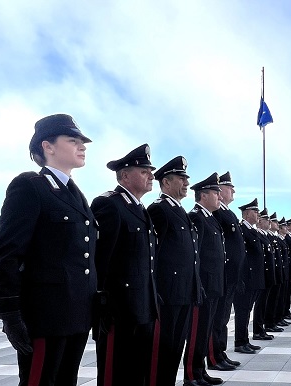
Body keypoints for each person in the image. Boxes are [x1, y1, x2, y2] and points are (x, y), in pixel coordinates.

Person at [0, 114, 97, 386]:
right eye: (73, 140)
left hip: (76, 314)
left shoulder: (74, 193)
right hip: (45, 316)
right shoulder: (30, 186)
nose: (82, 146)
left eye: (82, 142)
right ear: (47, 146)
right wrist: (9, 313)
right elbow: (8, 253)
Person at [92, 144, 160, 386]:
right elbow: (100, 259)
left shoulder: (140, 209)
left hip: (143, 306)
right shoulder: (110, 204)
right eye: (144, 171)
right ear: (124, 176)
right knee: (115, 373)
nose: (151, 176)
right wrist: (102, 304)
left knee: (137, 371)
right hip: (119, 310)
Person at [147, 156, 203, 386]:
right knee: (162, 349)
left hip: (183, 292)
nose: (186, 184)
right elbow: (153, 254)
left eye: (186, 179)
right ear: (166, 183)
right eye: (181, 179)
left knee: (175, 347)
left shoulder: (179, 211)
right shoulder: (158, 210)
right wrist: (156, 289)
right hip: (166, 294)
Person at [183, 172, 226, 386]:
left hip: (214, 284)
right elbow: (195, 255)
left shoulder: (210, 218)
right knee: (197, 331)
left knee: (206, 330)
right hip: (203, 285)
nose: (219, 197)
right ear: (203, 195)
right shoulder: (196, 217)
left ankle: (200, 371)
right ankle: (191, 374)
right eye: (215, 193)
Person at [208, 172, 245, 369]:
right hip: (222, 273)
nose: (233, 192)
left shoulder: (227, 213)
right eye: (230, 188)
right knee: (217, 318)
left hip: (231, 275)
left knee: (222, 318)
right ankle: (214, 356)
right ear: (220, 190)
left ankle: (220, 353)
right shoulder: (217, 213)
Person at [233, 198, 266, 354]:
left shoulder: (252, 230)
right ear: (246, 214)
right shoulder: (241, 229)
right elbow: (241, 255)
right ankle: (240, 341)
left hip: (254, 278)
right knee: (242, 311)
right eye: (255, 211)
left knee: (247, 311)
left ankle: (245, 340)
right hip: (246, 278)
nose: (257, 214)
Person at [252, 208, 277, 341]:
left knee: (265, 303)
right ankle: (258, 330)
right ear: (260, 222)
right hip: (262, 275)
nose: (269, 222)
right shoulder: (258, 234)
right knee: (260, 304)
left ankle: (261, 329)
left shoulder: (265, 235)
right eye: (266, 220)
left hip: (267, 275)